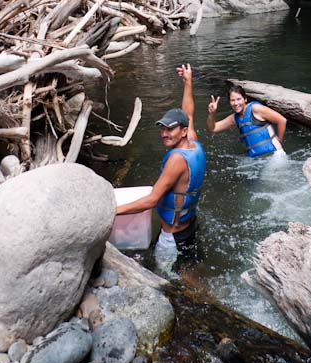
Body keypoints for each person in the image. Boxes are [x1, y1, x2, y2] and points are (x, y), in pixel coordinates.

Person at [116, 63, 206, 263]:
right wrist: (188, 83)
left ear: (182, 131)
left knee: (164, 281)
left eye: (170, 129)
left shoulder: (177, 159)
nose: (164, 134)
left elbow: (151, 200)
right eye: (162, 128)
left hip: (172, 236)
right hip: (189, 225)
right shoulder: (194, 143)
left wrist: (112, 211)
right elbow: (188, 113)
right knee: (189, 270)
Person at [206, 84, 286, 158]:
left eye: (238, 99)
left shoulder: (256, 109)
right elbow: (213, 128)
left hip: (274, 155)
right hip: (257, 159)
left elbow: (282, 120)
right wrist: (212, 114)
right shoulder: (234, 118)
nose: (236, 103)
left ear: (245, 99)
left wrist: (279, 142)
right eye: (232, 100)